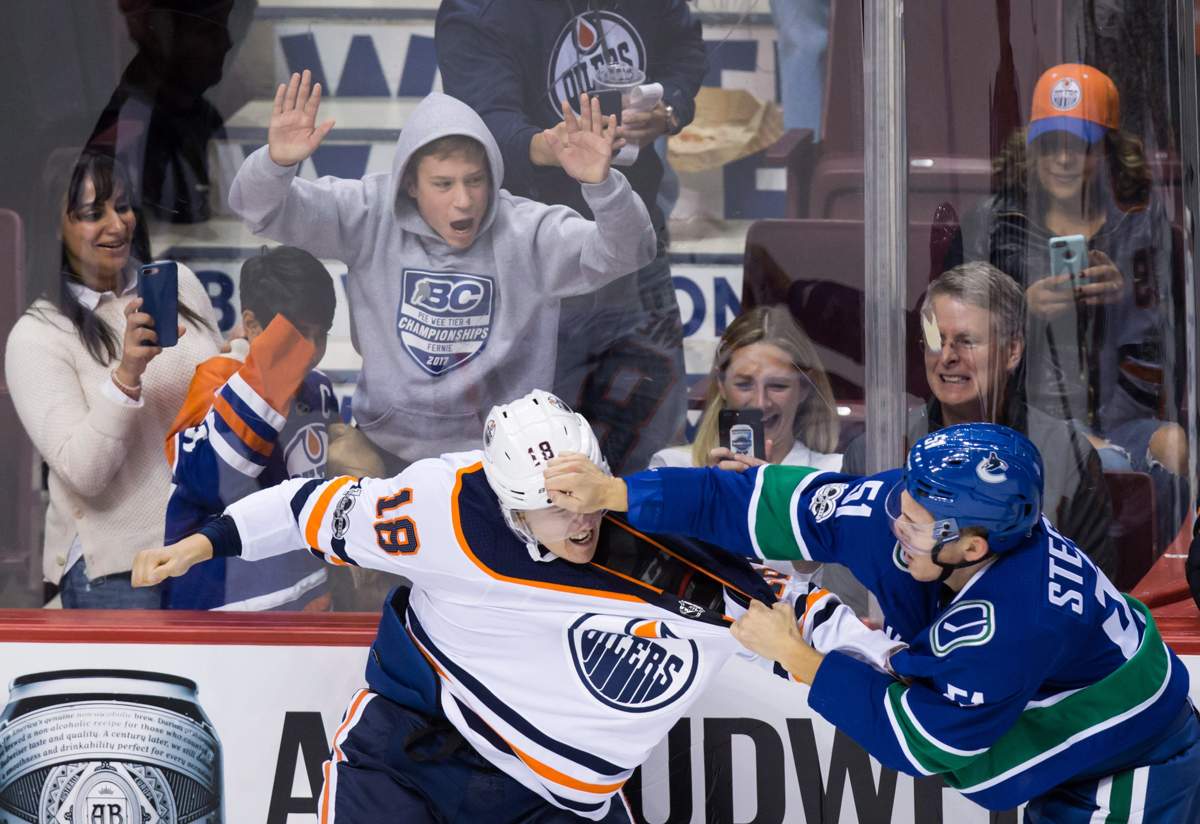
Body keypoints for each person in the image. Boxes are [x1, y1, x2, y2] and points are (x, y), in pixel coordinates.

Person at [131, 389, 897, 821]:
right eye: (551, 507)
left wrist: (896, 672)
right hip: (412, 760)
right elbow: (312, 506)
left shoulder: (684, 549)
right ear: (507, 501)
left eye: (584, 496)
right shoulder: (442, 506)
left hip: (556, 807)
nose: (580, 520)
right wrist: (204, 543)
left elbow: (813, 615)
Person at [545, 423, 1200, 821]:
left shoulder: (1017, 616)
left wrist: (803, 659)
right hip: (1071, 737)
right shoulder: (912, 508)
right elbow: (763, 502)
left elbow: (929, 742)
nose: (895, 523)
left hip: (1132, 763)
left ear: (972, 547)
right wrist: (622, 494)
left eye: (915, 523)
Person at [227, 71, 656, 471]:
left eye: (474, 181)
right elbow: (258, 210)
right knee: (345, 465)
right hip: (386, 445)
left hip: (500, 457)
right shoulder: (368, 213)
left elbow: (629, 251)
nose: (464, 201)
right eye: (444, 184)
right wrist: (275, 164)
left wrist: (603, 187)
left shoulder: (527, 230)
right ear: (411, 184)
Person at [435, 0, 708, 473]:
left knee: (654, 448)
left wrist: (669, 108)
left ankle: (650, 547)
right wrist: (558, 146)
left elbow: (684, 45)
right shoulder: (477, 10)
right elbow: (482, 128)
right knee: (539, 456)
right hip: (533, 260)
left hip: (634, 241)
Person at [5, 149, 222, 608]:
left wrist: (243, 356)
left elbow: (216, 405)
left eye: (122, 206)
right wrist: (127, 377)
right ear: (55, 226)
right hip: (119, 574)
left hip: (204, 547)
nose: (117, 224)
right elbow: (84, 473)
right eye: (92, 213)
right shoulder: (37, 335)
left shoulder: (177, 284)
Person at [954, 63, 1186, 479]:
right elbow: (955, 341)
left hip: (1122, 417)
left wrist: (1123, 302)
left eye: (1079, 147)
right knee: (1096, 458)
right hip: (1027, 416)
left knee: (1177, 447)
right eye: (1050, 145)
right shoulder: (991, 223)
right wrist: (1024, 312)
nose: (1062, 159)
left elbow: (1168, 353)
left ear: (1109, 152)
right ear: (1032, 148)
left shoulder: (1140, 224)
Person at [843, 262, 1116, 576]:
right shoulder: (873, 450)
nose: (947, 356)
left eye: (967, 341)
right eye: (935, 340)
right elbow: (850, 591)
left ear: (1012, 351)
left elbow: (1090, 592)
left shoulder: (1068, 456)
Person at [162, 245, 339, 611]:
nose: (311, 348)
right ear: (253, 324)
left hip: (306, 596)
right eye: (297, 334)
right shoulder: (216, 378)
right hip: (222, 604)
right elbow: (207, 480)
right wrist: (271, 370)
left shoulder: (317, 388)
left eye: (320, 334)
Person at [651, 305, 840, 471]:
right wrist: (711, 490)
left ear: (804, 388)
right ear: (721, 385)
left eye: (778, 385)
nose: (760, 403)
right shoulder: (673, 468)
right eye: (744, 384)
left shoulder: (832, 474)